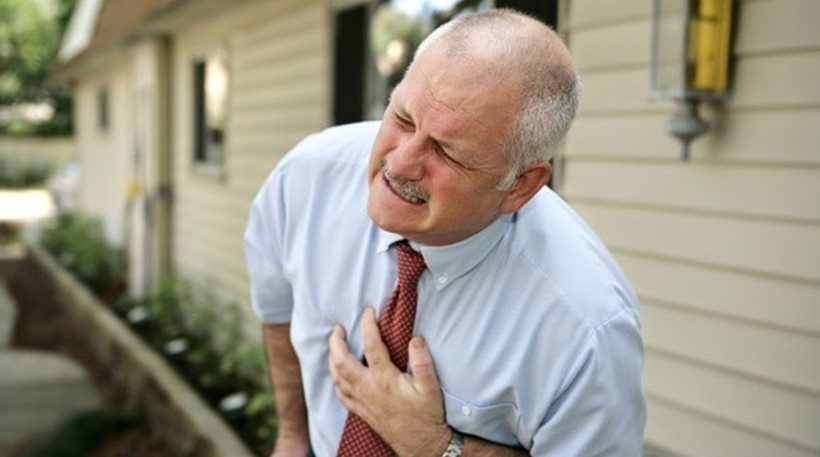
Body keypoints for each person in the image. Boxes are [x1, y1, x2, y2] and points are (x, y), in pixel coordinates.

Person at [245, 9, 645, 457]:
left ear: (519, 185)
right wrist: (292, 437)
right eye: (403, 119)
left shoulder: (587, 328)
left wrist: (436, 447)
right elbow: (278, 310)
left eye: (447, 153)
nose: (399, 164)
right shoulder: (306, 180)